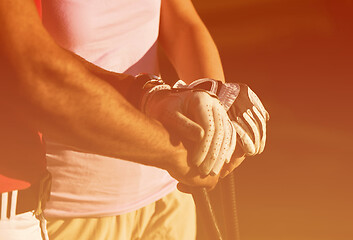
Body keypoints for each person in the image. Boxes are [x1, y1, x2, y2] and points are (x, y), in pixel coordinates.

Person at [0, 0, 244, 239]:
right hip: (74, 207)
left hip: (166, 197)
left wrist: (214, 115)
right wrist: (177, 152)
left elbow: (182, 24)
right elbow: (33, 68)